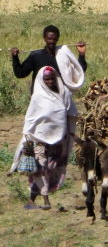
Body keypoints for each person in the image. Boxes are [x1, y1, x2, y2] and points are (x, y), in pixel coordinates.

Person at [9, 67, 79, 210]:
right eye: (47, 79)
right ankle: (46, 200)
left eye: (52, 78)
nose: (50, 81)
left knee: (51, 168)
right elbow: (30, 119)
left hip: (59, 140)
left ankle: (31, 201)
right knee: (40, 168)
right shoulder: (37, 97)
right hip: (38, 139)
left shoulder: (63, 93)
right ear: (41, 80)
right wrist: (27, 138)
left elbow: (71, 112)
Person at [11, 25, 87, 93]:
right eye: (49, 39)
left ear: (57, 39)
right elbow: (20, 74)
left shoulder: (63, 55)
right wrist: (15, 57)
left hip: (60, 98)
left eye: (54, 39)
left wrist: (81, 54)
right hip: (40, 99)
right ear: (44, 38)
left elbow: (78, 72)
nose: (52, 41)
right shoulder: (35, 56)